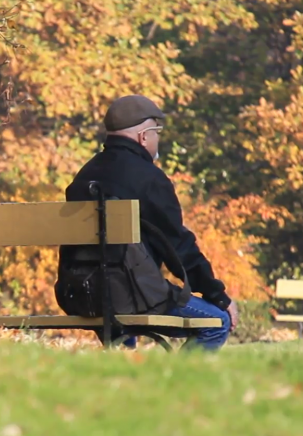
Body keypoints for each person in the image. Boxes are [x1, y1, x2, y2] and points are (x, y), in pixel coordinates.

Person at [55, 94, 237, 350]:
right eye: (157, 132)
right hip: (133, 298)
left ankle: (125, 376)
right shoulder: (150, 179)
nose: (157, 139)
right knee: (216, 322)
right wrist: (217, 296)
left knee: (121, 308)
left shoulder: (86, 173)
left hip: (80, 295)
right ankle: (172, 388)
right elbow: (179, 247)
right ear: (144, 136)